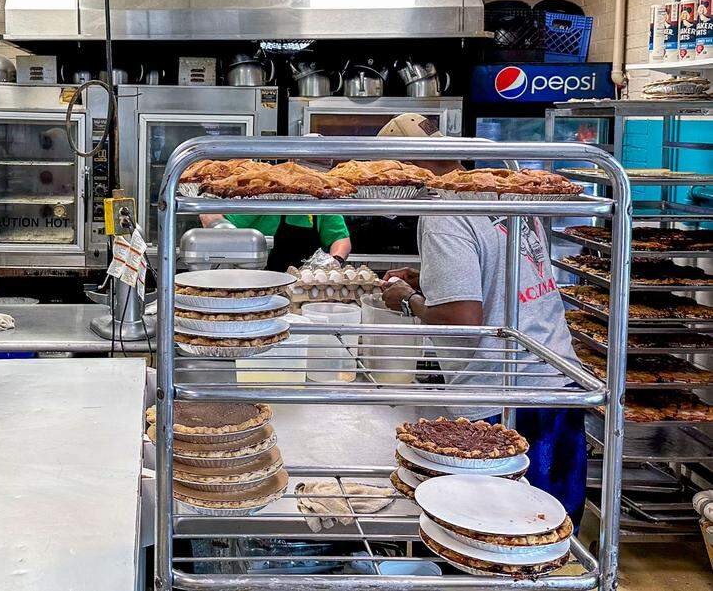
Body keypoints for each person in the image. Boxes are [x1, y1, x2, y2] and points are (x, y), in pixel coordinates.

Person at [376, 113, 587, 525]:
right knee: (555, 535)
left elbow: (463, 318)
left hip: (502, 397)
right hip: (556, 381)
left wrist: (407, 299)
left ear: (406, 166)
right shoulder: (501, 190)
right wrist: (431, 281)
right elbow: (505, 274)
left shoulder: (444, 213)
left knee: (501, 535)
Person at [198, 212, 351, 272]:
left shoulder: (320, 204)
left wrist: (335, 261)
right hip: (258, 287)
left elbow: (341, 239)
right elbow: (210, 215)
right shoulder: (266, 199)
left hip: (303, 292)